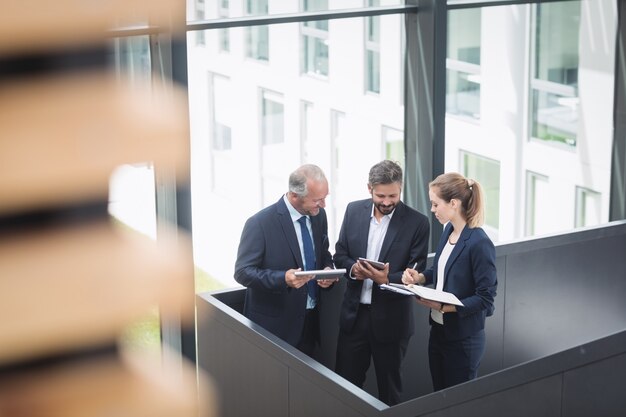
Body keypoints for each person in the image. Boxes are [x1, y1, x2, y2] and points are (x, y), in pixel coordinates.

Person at [333, 160, 430, 406]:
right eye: (381, 196)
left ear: (401, 189)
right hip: (354, 319)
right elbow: (340, 254)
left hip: (392, 323)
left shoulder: (417, 223)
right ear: (369, 189)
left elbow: (415, 273)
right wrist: (354, 269)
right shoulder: (353, 211)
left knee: (390, 393)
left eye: (393, 195)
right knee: (344, 388)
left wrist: (386, 278)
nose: (387, 202)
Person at [402, 172, 497, 391]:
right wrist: (420, 277)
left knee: (457, 407)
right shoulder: (448, 231)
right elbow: (439, 269)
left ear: (453, 203)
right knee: (439, 399)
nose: (432, 210)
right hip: (439, 331)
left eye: (435, 204)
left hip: (464, 340)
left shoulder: (479, 243)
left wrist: (446, 307)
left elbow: (486, 298)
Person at [234, 164, 336, 357]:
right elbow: (242, 272)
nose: (323, 205)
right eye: (317, 200)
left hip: (311, 322)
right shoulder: (260, 223)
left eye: (325, 198)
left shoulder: (318, 215)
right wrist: (283, 279)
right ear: (295, 195)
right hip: (275, 327)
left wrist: (327, 269)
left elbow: (323, 253)